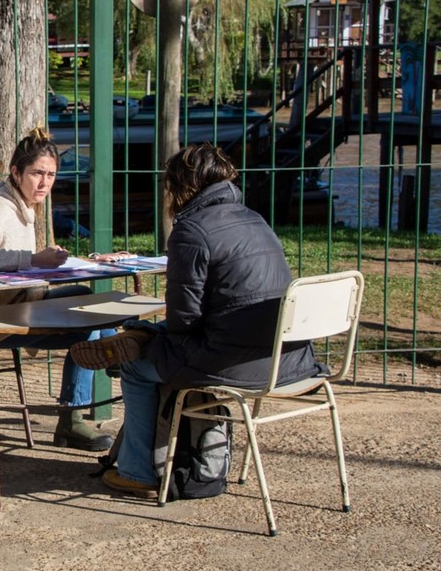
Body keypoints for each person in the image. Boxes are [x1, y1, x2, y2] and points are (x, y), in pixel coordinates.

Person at [69, 143, 326, 497]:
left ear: (180, 186)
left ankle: (138, 472)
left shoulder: (191, 231)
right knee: (161, 345)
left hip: (230, 363)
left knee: (138, 368)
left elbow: (183, 319)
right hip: (288, 360)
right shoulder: (255, 218)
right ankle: (141, 338)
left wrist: (162, 332)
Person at [0, 126, 114, 452]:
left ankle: (109, 364)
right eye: (36, 174)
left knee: (90, 307)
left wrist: (91, 260)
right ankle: (89, 396)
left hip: (20, 306)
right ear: (16, 172)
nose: (44, 183)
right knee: (88, 314)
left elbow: (28, 263)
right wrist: (31, 258)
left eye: (51, 175)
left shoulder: (24, 206)